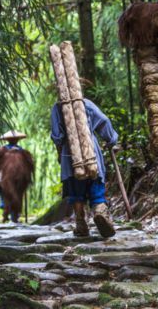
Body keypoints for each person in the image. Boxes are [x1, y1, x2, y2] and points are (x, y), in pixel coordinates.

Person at [50, 98, 118, 238]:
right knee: (96, 183)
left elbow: (57, 136)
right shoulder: (86, 103)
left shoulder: (57, 108)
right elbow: (103, 120)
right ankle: (99, 211)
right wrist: (111, 139)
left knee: (76, 192)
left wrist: (59, 152)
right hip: (90, 152)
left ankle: (81, 223)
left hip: (69, 156)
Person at [0, 130, 29, 223]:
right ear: (17, 140)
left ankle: (4, 207)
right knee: (18, 193)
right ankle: (14, 214)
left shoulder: (2, 150)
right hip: (20, 176)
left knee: (0, 187)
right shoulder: (22, 151)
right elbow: (29, 164)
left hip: (4, 175)